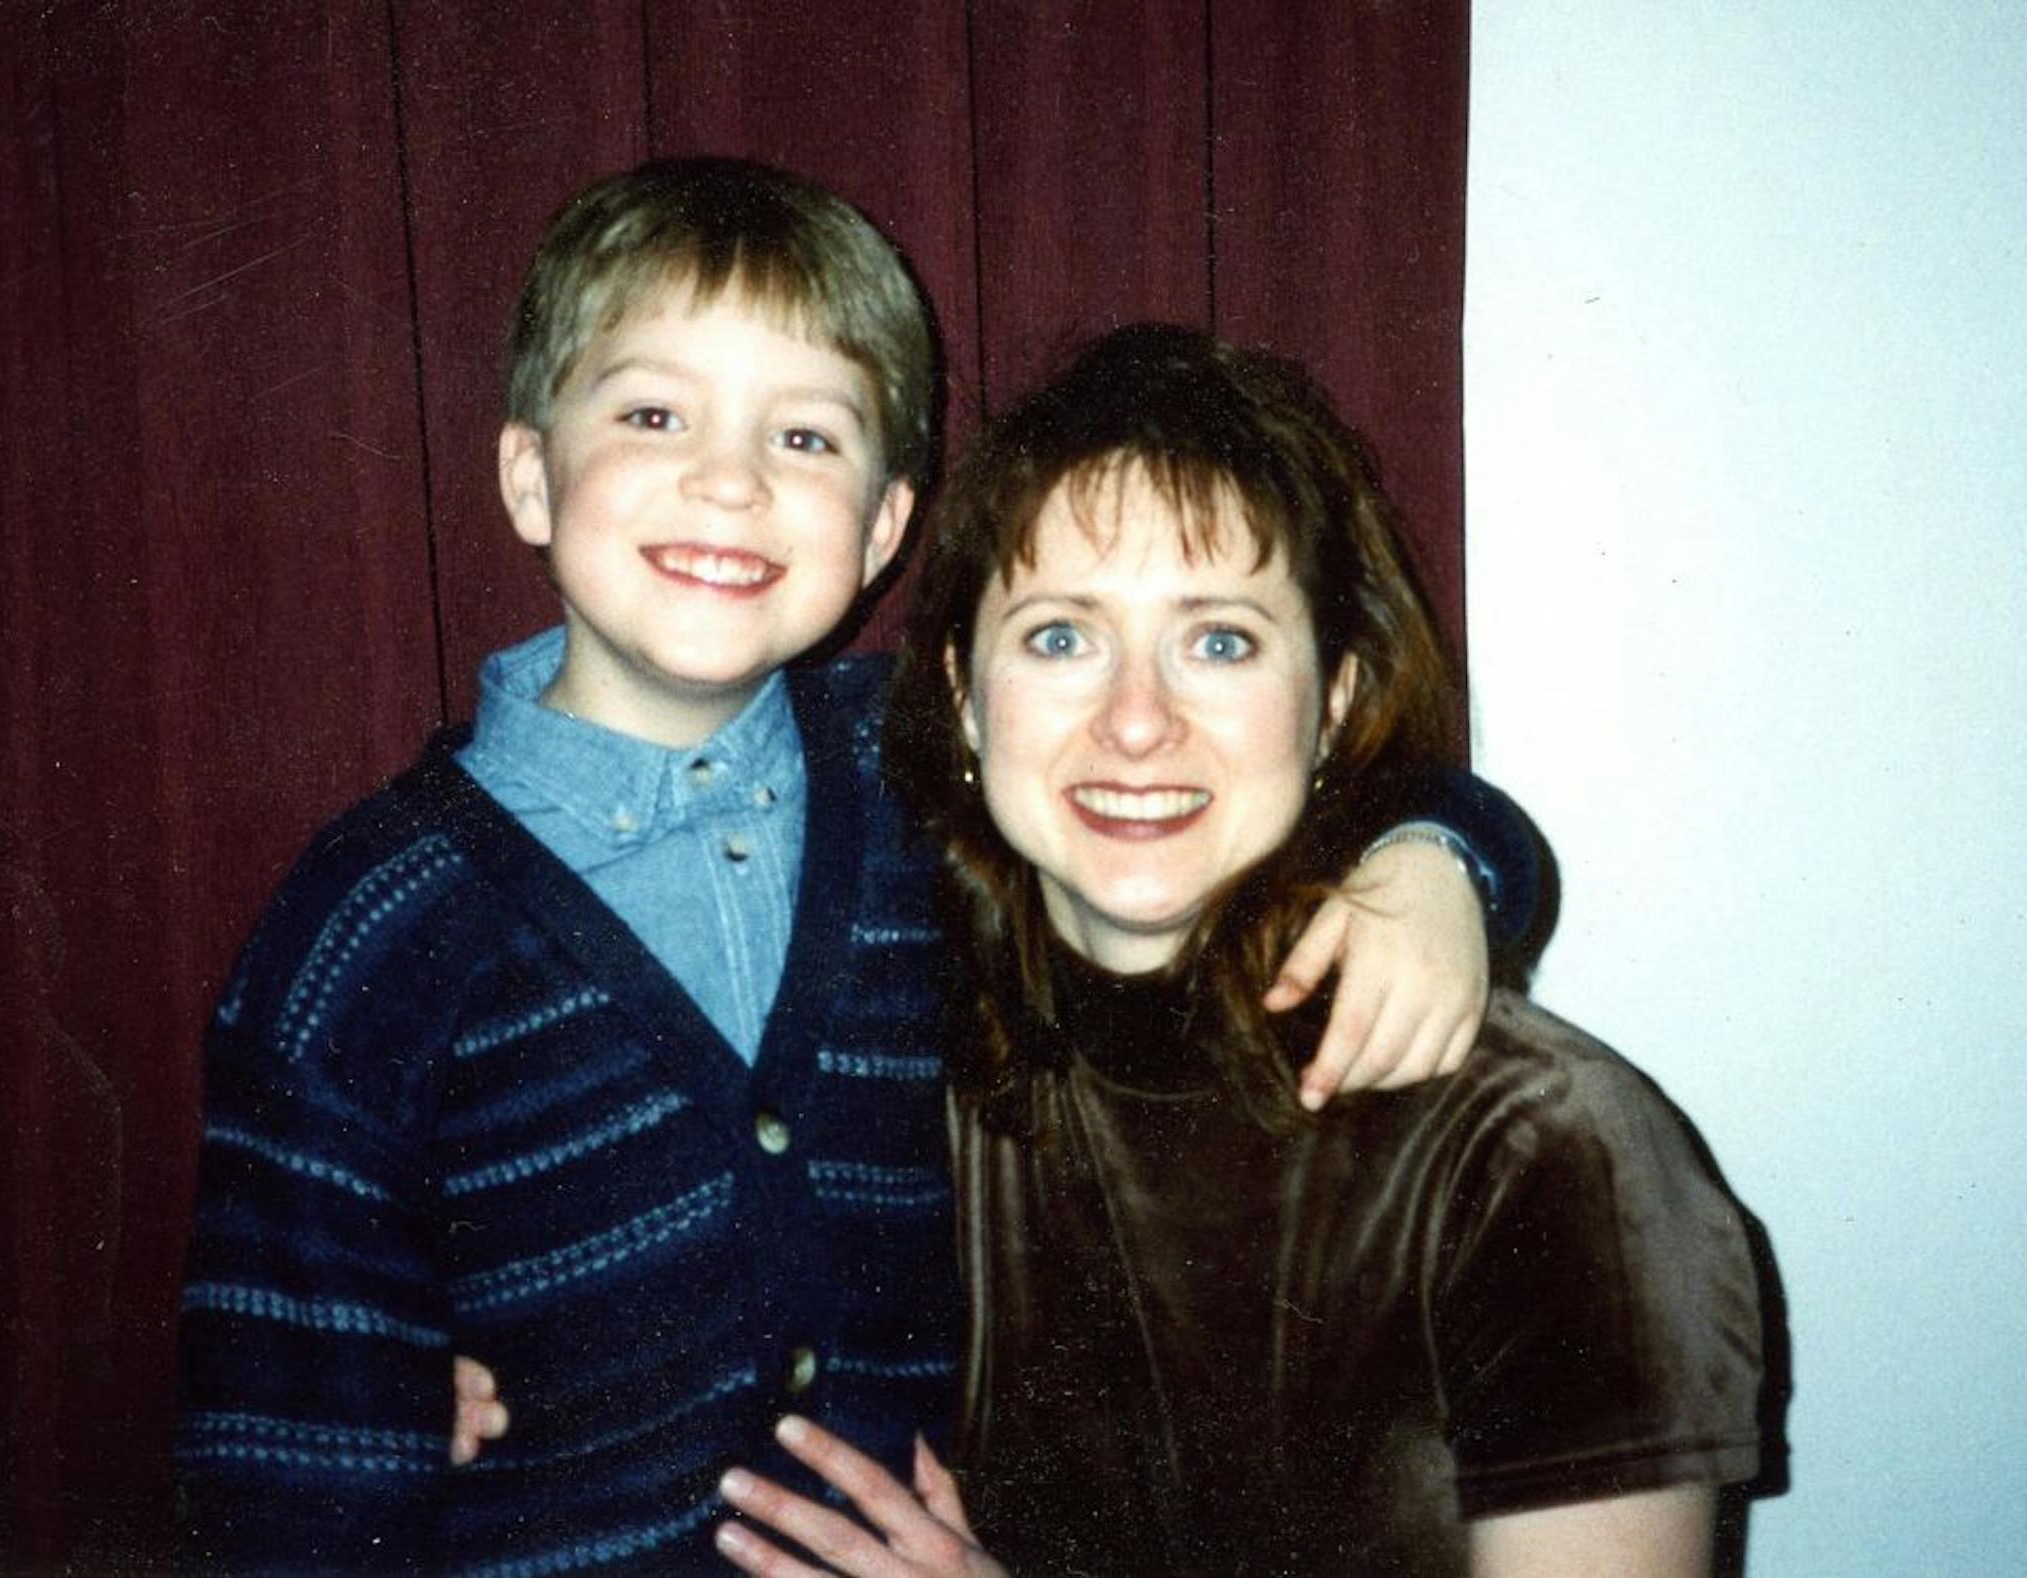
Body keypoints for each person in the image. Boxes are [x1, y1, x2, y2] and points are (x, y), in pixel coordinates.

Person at [175, 159, 1540, 1575]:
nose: (728, 478)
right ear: (530, 474)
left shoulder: (926, 774)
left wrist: (1438, 855)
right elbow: (283, 1464)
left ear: (886, 526)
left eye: (808, 439)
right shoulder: (363, 923)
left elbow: (1270, 786)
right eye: (654, 413)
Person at [708, 325, 1767, 1575]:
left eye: (1219, 641)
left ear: (1333, 704)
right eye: (1060, 636)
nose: (1137, 721)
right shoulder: (887, 1039)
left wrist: (1441, 842)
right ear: (962, 696)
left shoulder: (1538, 1147)